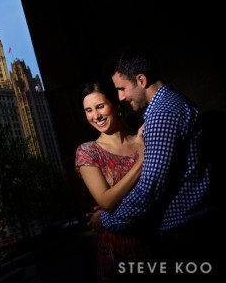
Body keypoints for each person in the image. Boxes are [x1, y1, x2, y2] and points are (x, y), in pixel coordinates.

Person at [87, 47, 220, 280]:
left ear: (141, 79)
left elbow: (149, 190)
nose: (120, 97)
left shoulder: (162, 115)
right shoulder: (172, 103)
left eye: (121, 89)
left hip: (185, 232)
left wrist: (105, 220)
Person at [75, 80, 149, 283]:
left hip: (156, 237)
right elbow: (106, 202)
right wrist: (142, 161)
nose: (95, 116)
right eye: (88, 110)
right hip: (120, 250)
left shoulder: (142, 139)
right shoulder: (88, 152)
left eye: (100, 106)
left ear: (115, 105)